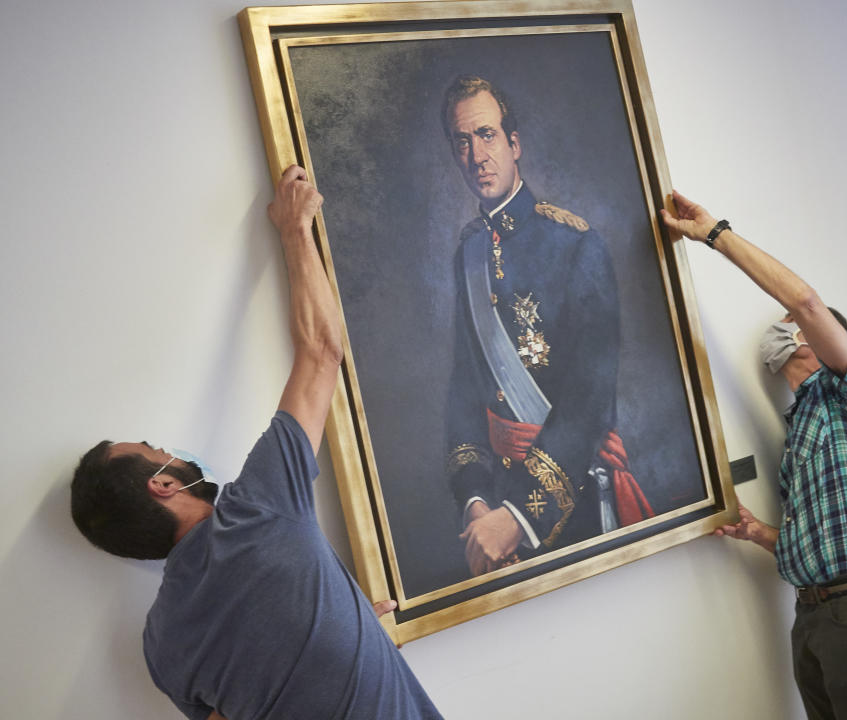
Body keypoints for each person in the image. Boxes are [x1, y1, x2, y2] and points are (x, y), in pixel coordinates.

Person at [70, 166, 442, 720]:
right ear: (164, 484)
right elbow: (321, 352)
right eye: (155, 449)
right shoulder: (255, 511)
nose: (171, 450)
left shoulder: (163, 647)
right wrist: (295, 229)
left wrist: (348, 637)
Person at [662, 190, 847, 720]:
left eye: (789, 325)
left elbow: (807, 303)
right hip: (814, 615)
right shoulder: (801, 426)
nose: (783, 328)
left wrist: (714, 233)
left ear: (823, 340)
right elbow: (822, 541)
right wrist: (759, 534)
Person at [442, 75, 653, 577]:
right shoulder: (468, 254)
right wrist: (475, 503)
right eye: (463, 142)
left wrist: (517, 517)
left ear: (514, 144)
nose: (477, 155)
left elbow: (589, 401)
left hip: (567, 503)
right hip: (493, 509)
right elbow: (464, 393)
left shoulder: (576, 244)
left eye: (488, 135)